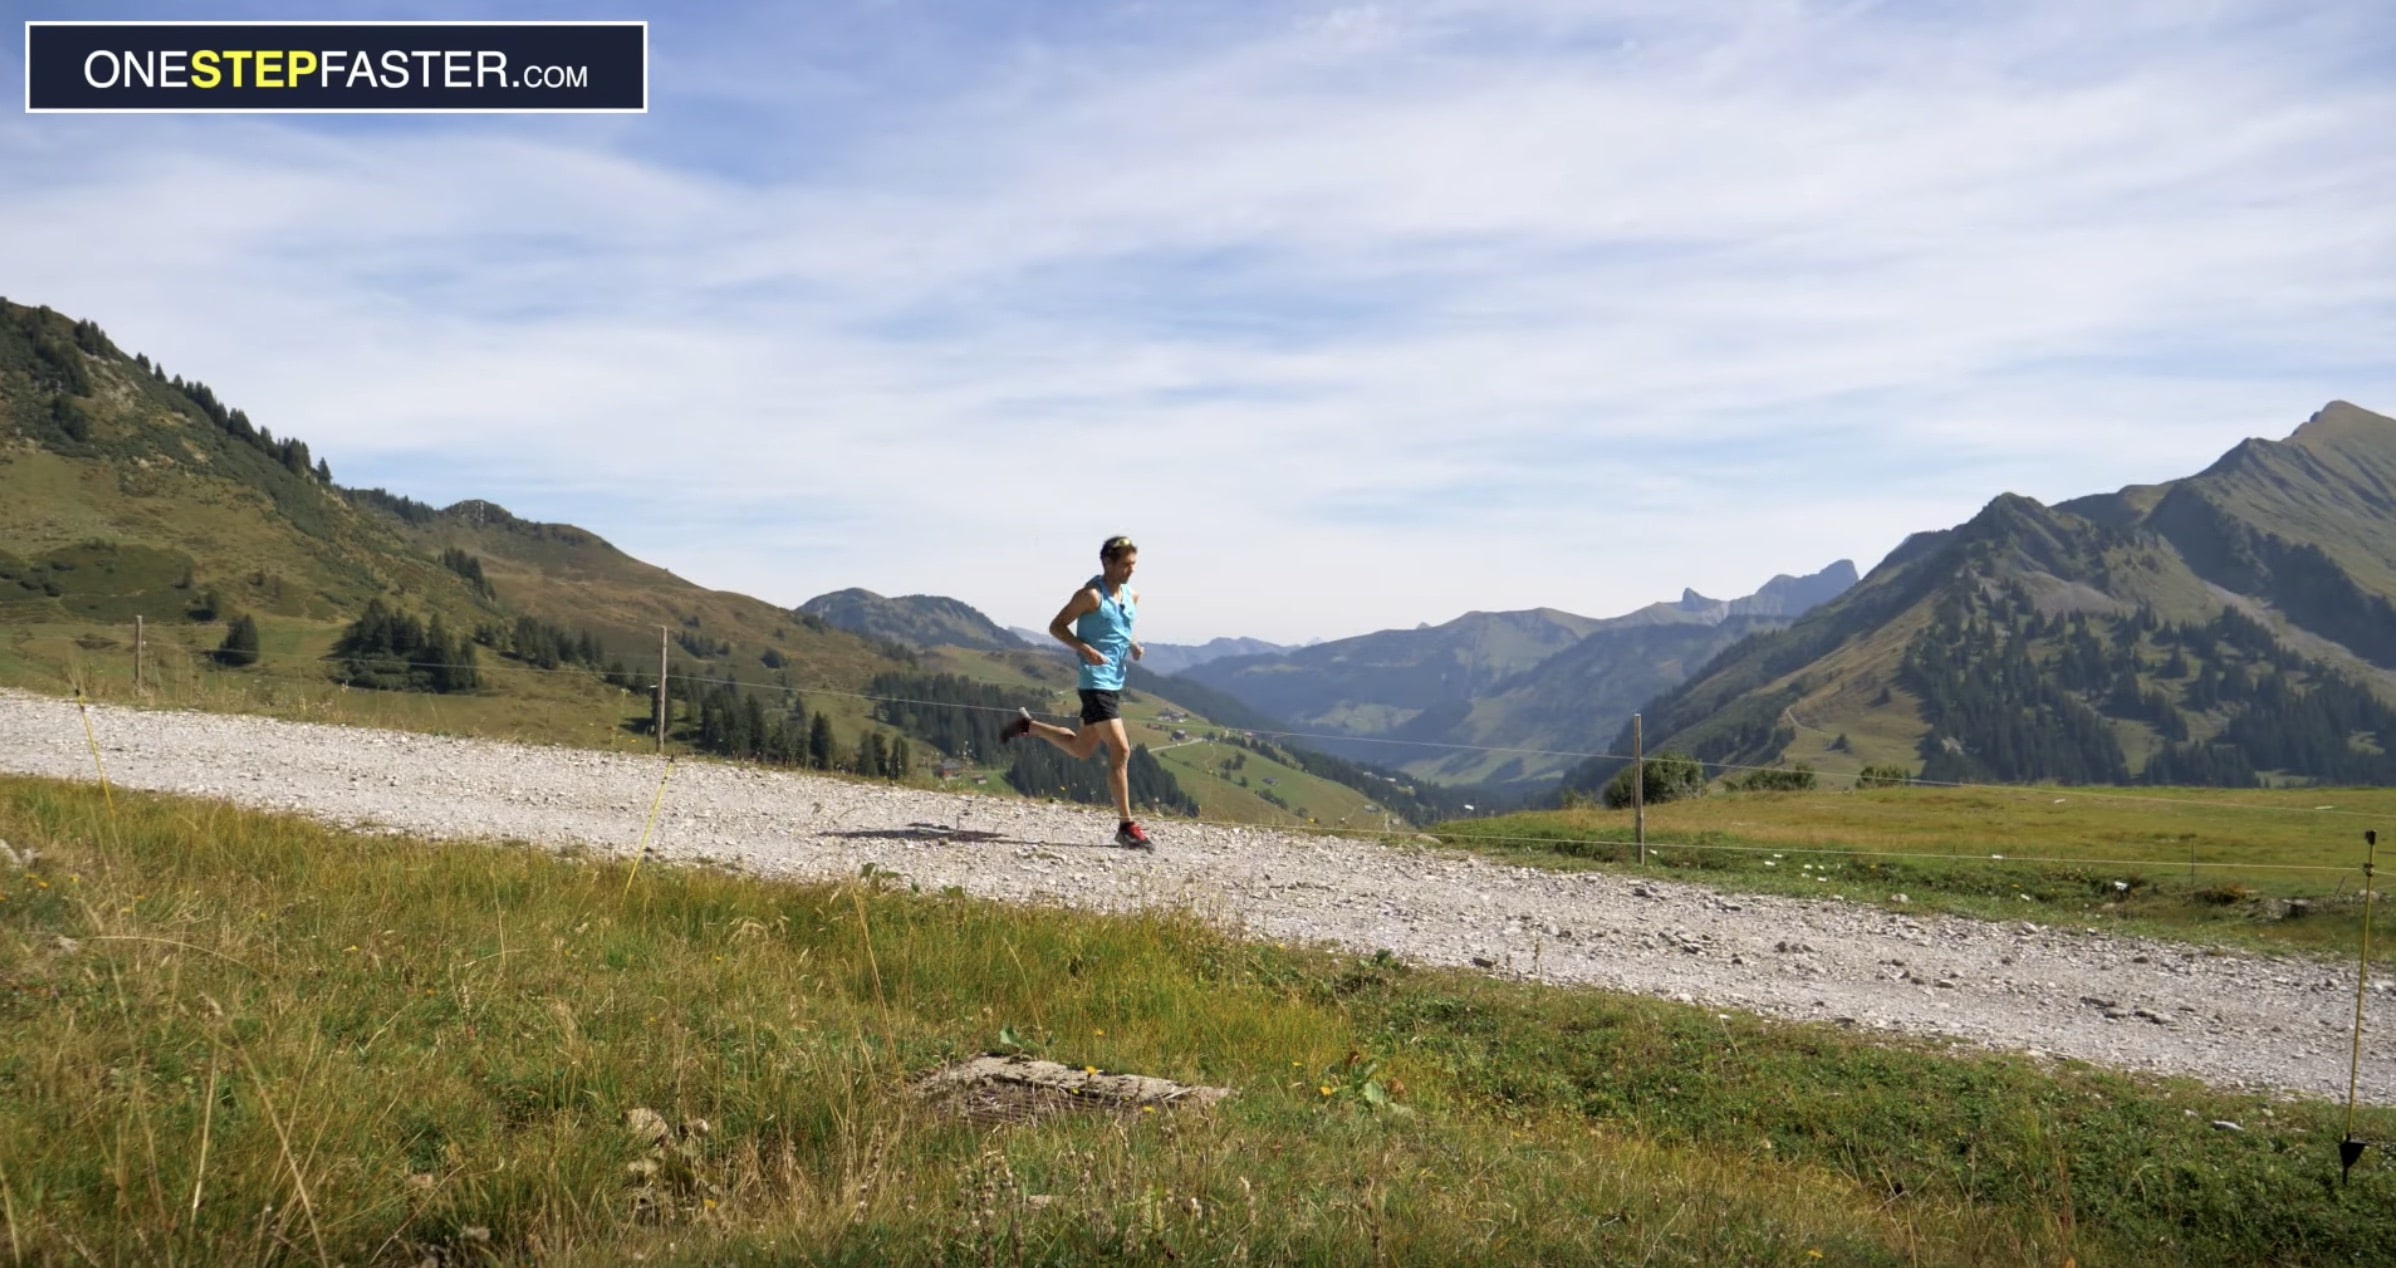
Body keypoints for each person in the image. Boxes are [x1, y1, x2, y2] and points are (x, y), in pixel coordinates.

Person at [1002, 535, 1154, 849]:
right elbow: (1056, 626)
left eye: (1133, 565)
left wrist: (1133, 645)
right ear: (1107, 562)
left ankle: (1029, 727)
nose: (1130, 571)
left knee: (1081, 749)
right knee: (1121, 751)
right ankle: (1126, 825)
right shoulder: (1090, 596)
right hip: (1094, 683)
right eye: (1124, 564)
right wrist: (1083, 648)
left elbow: (1119, 628)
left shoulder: (1132, 595)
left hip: (1115, 682)